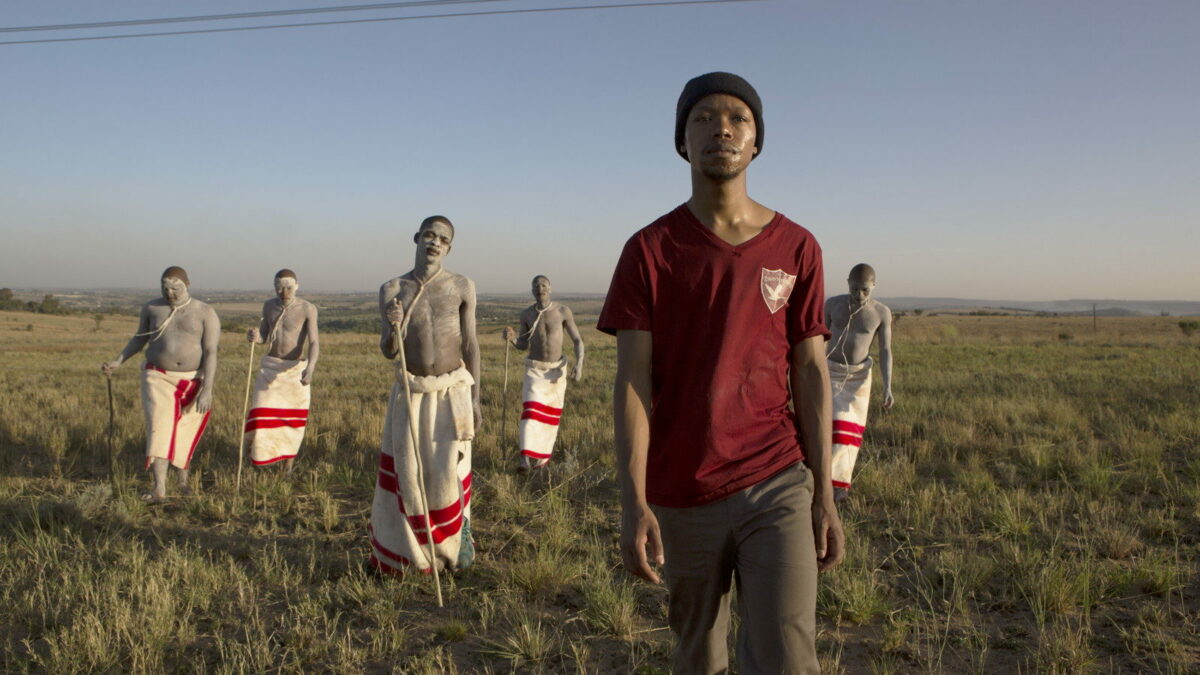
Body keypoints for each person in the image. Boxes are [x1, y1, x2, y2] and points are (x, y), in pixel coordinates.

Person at [598, 72, 844, 674]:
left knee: (788, 656)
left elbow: (811, 371)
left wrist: (825, 492)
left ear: (757, 141)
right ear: (682, 141)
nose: (722, 129)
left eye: (738, 118)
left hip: (777, 478)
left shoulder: (797, 247)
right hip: (683, 488)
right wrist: (633, 502)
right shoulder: (649, 249)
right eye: (703, 118)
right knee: (698, 656)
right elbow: (632, 382)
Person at [368, 216, 482, 575]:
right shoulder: (392, 288)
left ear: (449, 247)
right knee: (411, 474)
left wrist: (476, 399)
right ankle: (412, 554)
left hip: (452, 392)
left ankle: (455, 543)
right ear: (417, 238)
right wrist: (394, 325)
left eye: (443, 239)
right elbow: (388, 350)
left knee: (449, 469)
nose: (435, 242)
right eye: (430, 235)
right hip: (412, 392)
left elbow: (471, 345)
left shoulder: (462, 286)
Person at [101, 266, 220, 502]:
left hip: (193, 379)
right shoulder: (152, 308)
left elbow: (211, 352)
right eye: (165, 288)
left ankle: (183, 481)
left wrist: (207, 389)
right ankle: (159, 488)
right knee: (160, 428)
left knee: (184, 431)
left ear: (188, 285)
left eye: (176, 288)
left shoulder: (205, 312)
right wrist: (118, 361)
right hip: (157, 376)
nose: (170, 293)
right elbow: (139, 339)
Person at [501, 275, 585, 471]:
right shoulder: (526, 314)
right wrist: (512, 338)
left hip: (556, 372)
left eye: (544, 285)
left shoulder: (563, 311)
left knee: (549, 418)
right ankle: (524, 460)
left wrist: (579, 364)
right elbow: (523, 344)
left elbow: (577, 341)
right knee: (530, 412)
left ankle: (541, 462)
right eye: (536, 285)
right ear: (532, 290)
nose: (540, 288)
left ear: (550, 288)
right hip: (535, 370)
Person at [825, 263, 894, 500]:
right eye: (855, 289)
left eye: (865, 289)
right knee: (828, 425)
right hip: (830, 370)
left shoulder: (881, 312)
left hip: (859, 377)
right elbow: (817, 339)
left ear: (874, 286)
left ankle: (839, 485)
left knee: (848, 429)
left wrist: (887, 387)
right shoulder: (833, 305)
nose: (859, 294)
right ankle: (821, 480)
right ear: (848, 283)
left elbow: (885, 350)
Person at [243, 269, 320, 473]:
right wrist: (255, 337)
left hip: (295, 370)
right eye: (279, 288)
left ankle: (287, 467)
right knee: (261, 414)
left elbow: (314, 342)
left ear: (296, 286)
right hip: (270, 367)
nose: (284, 292)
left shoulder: (307, 308)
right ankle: (257, 458)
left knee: (291, 420)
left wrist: (310, 368)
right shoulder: (269, 306)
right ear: (274, 287)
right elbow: (264, 337)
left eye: (288, 287)